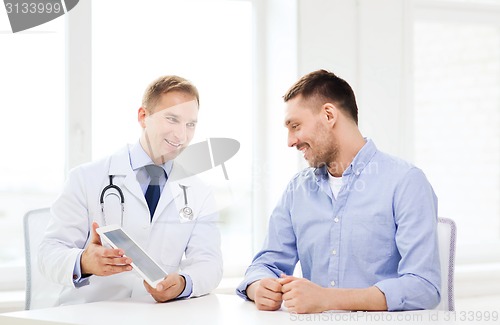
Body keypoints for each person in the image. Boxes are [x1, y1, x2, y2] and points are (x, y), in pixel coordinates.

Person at [236, 69, 440, 313]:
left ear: (329, 115)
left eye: (295, 126)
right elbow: (266, 263)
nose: (290, 141)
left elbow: (424, 287)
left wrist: (329, 299)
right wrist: (259, 287)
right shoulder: (297, 190)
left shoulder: (405, 182)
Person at [39, 75, 222, 305]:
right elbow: (48, 253)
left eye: (190, 124)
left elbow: (209, 263)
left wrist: (184, 283)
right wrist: (84, 262)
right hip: (89, 315)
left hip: (156, 316)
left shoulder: (199, 192)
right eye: (172, 119)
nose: (181, 135)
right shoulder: (85, 178)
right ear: (143, 116)